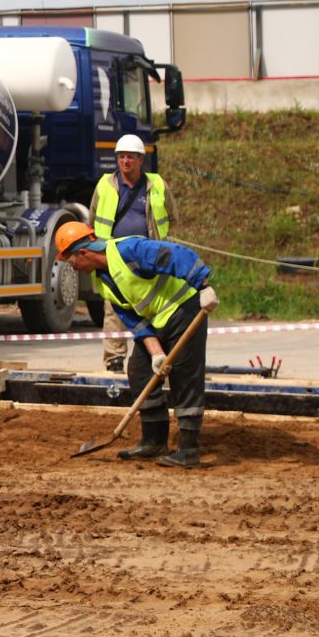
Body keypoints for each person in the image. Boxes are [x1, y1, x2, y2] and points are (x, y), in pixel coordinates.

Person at [54, 220, 217, 467]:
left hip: (185, 310)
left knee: (185, 377)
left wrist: (203, 285)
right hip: (157, 323)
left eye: (72, 262)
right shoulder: (102, 281)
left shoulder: (128, 251)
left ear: (84, 252)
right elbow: (133, 320)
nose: (73, 268)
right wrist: (155, 354)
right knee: (139, 370)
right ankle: (153, 441)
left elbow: (176, 254)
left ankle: (189, 450)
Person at [93, 133, 176, 374]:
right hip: (113, 258)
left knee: (152, 308)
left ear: (141, 160)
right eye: (121, 157)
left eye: (130, 157)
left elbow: (172, 216)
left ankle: (157, 356)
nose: (125, 161)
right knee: (114, 310)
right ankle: (114, 358)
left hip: (147, 259)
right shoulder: (105, 186)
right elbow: (93, 217)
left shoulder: (156, 185)